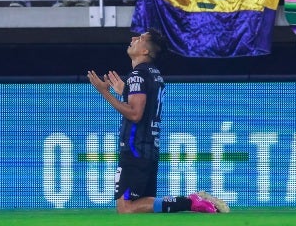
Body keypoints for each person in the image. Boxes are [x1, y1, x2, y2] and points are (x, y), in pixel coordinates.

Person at [87, 29, 230, 214]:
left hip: (135, 148)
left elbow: (135, 114)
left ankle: (190, 202)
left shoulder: (138, 74)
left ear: (145, 51)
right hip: (148, 149)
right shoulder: (154, 74)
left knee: (126, 208)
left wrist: (104, 92)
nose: (133, 39)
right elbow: (145, 107)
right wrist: (125, 91)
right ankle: (191, 201)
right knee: (144, 208)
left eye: (139, 38)